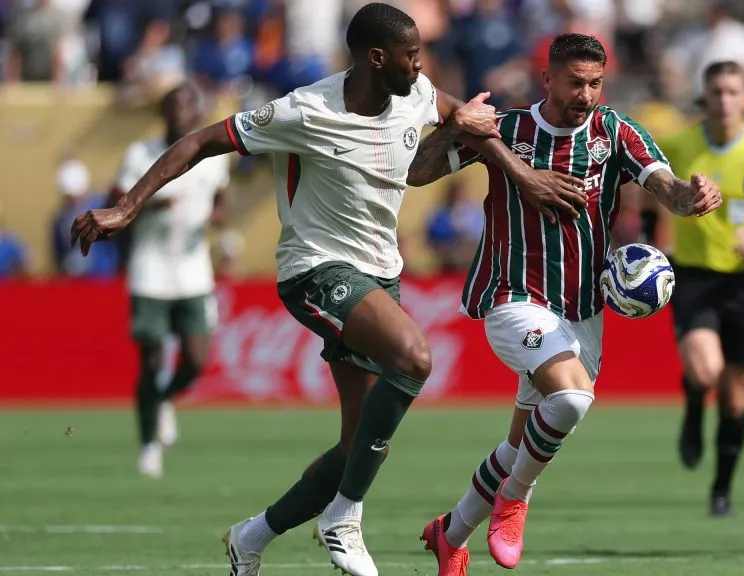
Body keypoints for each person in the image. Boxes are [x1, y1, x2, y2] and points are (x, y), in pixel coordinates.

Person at [69, 5, 587, 575]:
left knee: (358, 446)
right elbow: (198, 142)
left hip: (379, 273)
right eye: (412, 55)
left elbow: (464, 121)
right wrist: (125, 207)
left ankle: (251, 537)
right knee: (414, 358)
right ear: (377, 58)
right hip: (315, 269)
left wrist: (520, 172)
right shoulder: (305, 109)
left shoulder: (416, 92)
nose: (422, 64)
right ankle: (344, 518)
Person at [405, 33, 722, 576]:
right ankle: (517, 499)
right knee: (572, 399)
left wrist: (690, 198)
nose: (586, 93)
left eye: (595, 82)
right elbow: (417, 171)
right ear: (547, 79)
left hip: (583, 310)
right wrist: (456, 126)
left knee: (518, 446)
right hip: (513, 297)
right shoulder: (507, 130)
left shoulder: (614, 132)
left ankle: (449, 535)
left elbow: (663, 184)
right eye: (575, 82)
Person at [658, 60, 744, 517]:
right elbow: (648, 191)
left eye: (732, 92)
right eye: (716, 91)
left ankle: (721, 489)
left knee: (737, 398)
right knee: (705, 371)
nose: (724, 100)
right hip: (693, 277)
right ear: (704, 96)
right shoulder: (681, 143)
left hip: (742, 283)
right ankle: (695, 401)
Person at [108, 83, 230, 479]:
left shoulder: (214, 158)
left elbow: (220, 202)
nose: (181, 111)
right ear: (163, 111)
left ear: (197, 112)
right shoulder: (140, 153)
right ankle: (148, 446)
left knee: (195, 359)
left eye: (188, 104)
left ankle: (163, 399)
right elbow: (116, 200)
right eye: (174, 105)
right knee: (152, 357)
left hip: (194, 268)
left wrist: (216, 220)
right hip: (150, 267)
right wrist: (152, 202)